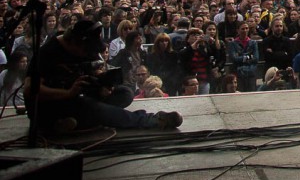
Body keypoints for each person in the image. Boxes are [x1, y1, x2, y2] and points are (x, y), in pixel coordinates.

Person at [25, 20, 182, 133]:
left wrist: (104, 84)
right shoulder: (47, 53)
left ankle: (73, 123)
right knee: (92, 107)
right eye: (87, 51)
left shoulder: (86, 48)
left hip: (79, 94)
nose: (89, 54)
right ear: (76, 43)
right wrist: (67, 93)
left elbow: (95, 71)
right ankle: (151, 120)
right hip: (54, 103)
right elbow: (30, 89)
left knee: (125, 93)